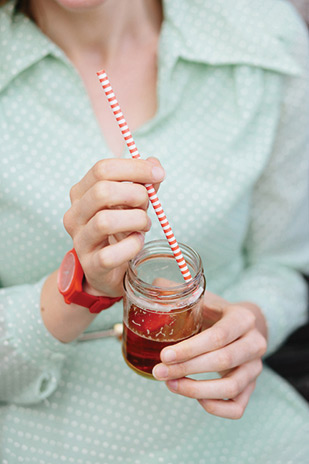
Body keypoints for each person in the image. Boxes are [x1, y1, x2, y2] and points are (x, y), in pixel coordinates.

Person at [0, 0, 308, 462]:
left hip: (244, 436)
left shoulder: (264, 36)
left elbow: (285, 264)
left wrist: (251, 323)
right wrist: (82, 288)